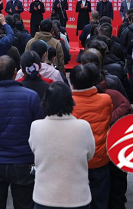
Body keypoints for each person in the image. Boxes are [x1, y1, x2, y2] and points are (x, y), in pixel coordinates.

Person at [0, 55, 44, 209]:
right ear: (15, 71)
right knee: (24, 204)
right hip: (23, 161)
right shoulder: (31, 96)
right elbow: (38, 128)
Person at [29, 82, 95, 209]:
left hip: (44, 197)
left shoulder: (36, 126)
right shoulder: (83, 126)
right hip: (77, 197)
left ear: (46, 102)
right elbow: (90, 155)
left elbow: (34, 150)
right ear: (70, 101)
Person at [70, 64, 113, 209]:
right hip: (100, 158)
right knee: (100, 201)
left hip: (77, 161)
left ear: (72, 83)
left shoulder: (68, 103)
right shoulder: (106, 99)